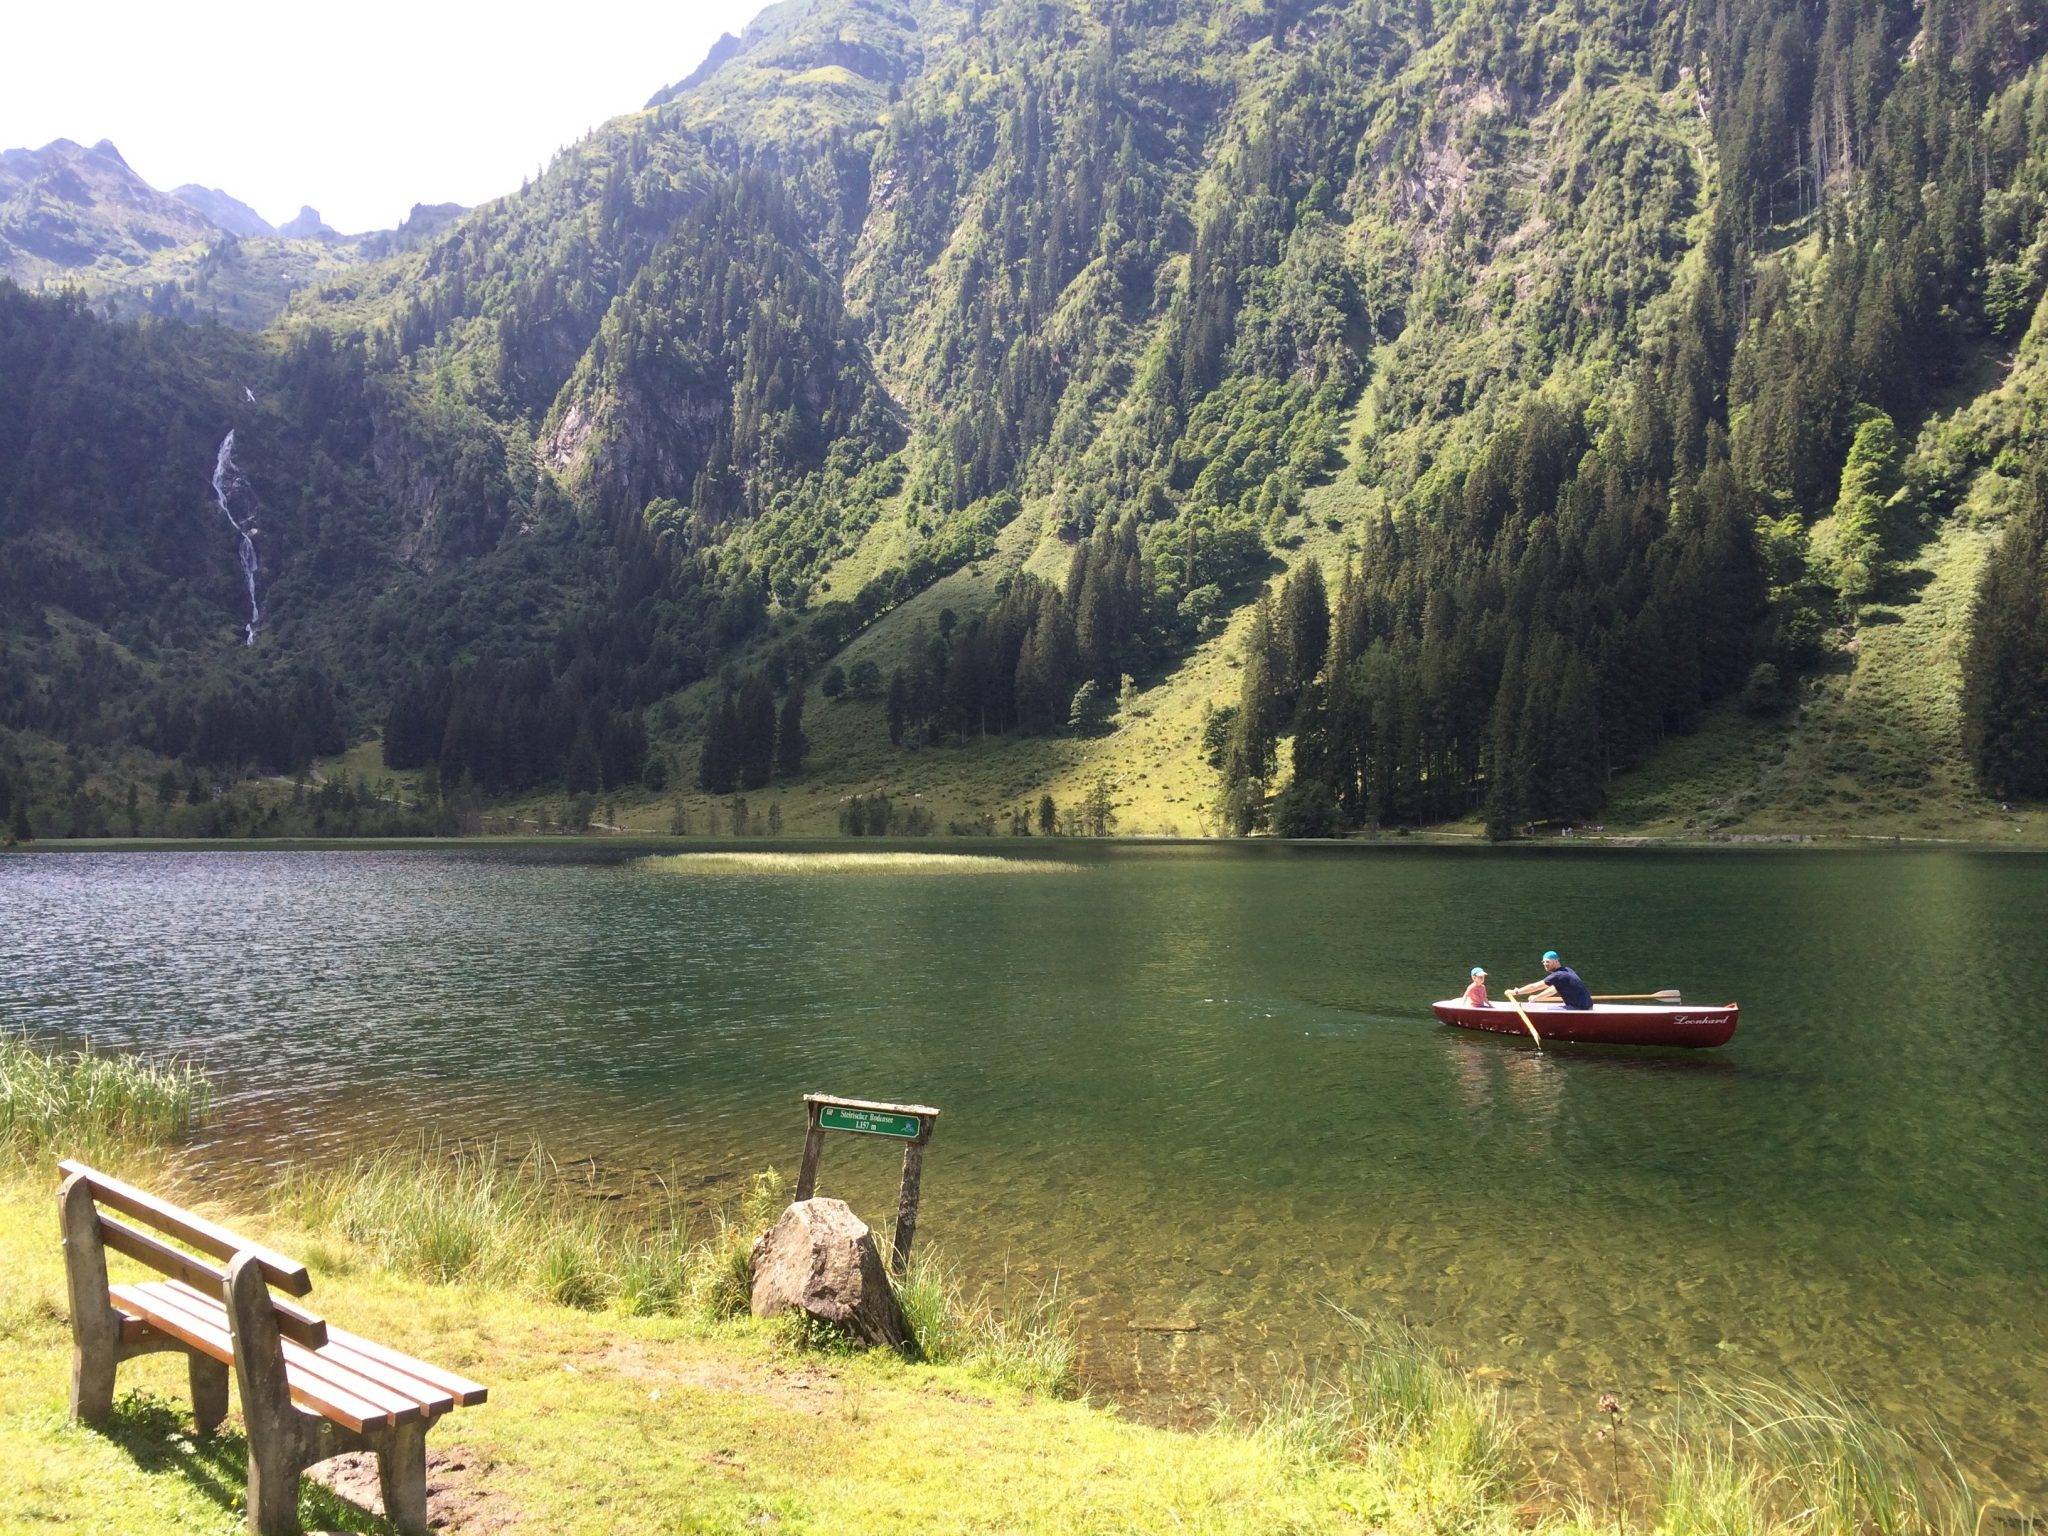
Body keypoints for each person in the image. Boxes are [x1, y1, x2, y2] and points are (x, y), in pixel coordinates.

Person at [1510, 950, 1592, 1010]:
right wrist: (1536, 997)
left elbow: (1534, 987)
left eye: (1547, 961)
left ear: (1556, 961)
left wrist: (1516, 992)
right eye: (1543, 962)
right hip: (1588, 1007)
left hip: (1578, 1008)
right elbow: (1553, 990)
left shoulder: (1558, 975)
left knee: (1546, 1009)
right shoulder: (1567, 970)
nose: (1545, 964)